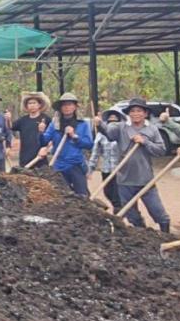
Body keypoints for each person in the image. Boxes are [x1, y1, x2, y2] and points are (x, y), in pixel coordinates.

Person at [98, 98, 170, 232]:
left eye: (139, 111)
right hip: (124, 180)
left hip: (145, 179)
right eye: (133, 111)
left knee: (158, 212)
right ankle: (143, 236)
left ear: (145, 114)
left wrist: (144, 142)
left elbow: (161, 151)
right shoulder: (121, 128)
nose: (136, 113)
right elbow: (108, 133)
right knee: (131, 215)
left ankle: (166, 235)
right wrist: (99, 124)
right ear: (129, 114)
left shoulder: (152, 130)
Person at [38, 93, 93, 194]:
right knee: (61, 196)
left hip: (76, 164)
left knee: (82, 195)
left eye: (70, 104)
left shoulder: (82, 124)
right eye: (64, 105)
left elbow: (89, 144)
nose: (67, 107)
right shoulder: (55, 123)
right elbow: (43, 142)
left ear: (75, 107)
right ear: (60, 108)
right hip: (59, 166)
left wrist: (74, 136)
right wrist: (41, 132)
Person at [88, 108, 124, 207]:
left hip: (120, 170)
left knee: (117, 195)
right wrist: (90, 170)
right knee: (108, 192)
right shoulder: (100, 135)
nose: (113, 123)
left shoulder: (123, 133)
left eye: (115, 121)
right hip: (106, 169)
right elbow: (95, 153)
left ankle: (118, 212)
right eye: (110, 121)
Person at [10, 92, 52, 168]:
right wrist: (8, 119)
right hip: (25, 159)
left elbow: (53, 137)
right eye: (30, 103)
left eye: (34, 103)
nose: (32, 105)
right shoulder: (22, 120)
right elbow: (10, 127)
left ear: (39, 105)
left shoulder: (46, 119)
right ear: (27, 106)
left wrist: (47, 149)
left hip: (40, 159)